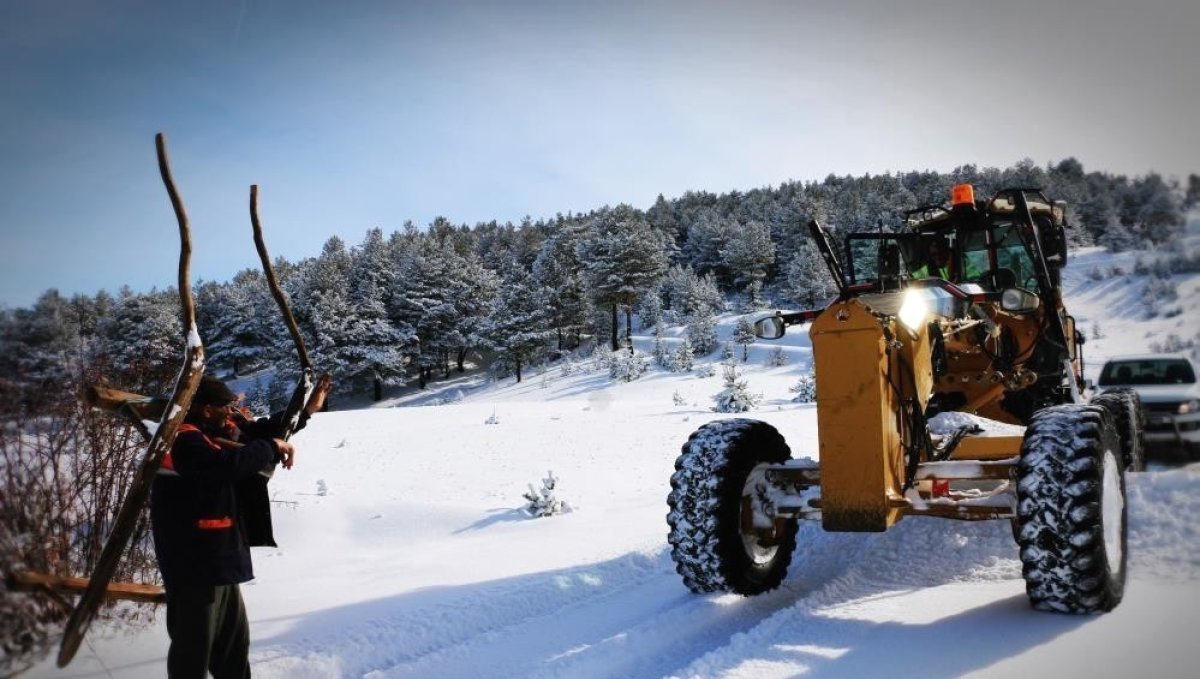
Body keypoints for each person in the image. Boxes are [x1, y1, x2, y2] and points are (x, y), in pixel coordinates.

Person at [150, 373, 331, 678]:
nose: (232, 412)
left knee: (233, 645)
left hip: (219, 559)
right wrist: (269, 447)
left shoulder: (217, 429)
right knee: (193, 648)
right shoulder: (182, 439)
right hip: (193, 564)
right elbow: (223, 467)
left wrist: (306, 411)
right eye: (226, 406)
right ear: (207, 409)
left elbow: (263, 431)